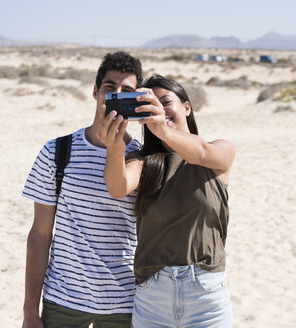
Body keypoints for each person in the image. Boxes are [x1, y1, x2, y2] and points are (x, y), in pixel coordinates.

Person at [96, 75, 235, 327]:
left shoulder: (219, 150)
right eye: (152, 104)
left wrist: (163, 130)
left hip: (205, 295)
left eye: (166, 102)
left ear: (187, 107)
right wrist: (114, 147)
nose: (160, 109)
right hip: (152, 297)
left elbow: (201, 152)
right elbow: (117, 188)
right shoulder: (144, 161)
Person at [21, 51, 143, 328]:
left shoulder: (143, 159)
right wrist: (30, 310)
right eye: (110, 88)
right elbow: (40, 234)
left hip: (125, 303)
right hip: (63, 301)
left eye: (126, 92)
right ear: (95, 91)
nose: (115, 96)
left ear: (135, 101)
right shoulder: (56, 151)